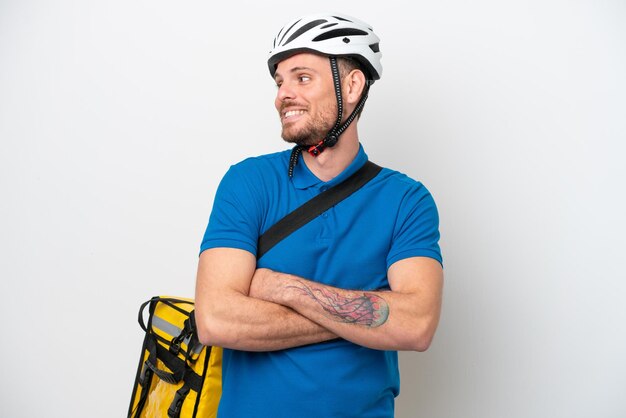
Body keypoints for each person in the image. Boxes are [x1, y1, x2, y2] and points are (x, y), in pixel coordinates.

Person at [194, 12, 443, 418]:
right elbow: (216, 320)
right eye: (279, 82)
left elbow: (416, 325)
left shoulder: (406, 200)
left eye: (302, 78)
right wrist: (367, 318)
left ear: (352, 84)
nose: (282, 95)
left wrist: (281, 288)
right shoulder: (248, 182)